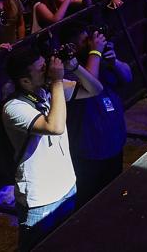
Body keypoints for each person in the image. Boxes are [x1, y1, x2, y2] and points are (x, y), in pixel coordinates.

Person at [2, 47, 104, 251]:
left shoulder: (47, 91)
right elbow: (54, 127)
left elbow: (95, 89)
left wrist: (74, 67)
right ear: (24, 81)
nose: (48, 70)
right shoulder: (14, 107)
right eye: (41, 69)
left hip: (66, 189)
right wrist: (57, 80)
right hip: (41, 201)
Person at [56, 22, 131, 209]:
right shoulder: (68, 69)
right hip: (87, 150)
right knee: (89, 202)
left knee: (112, 196)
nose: (90, 44)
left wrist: (114, 61)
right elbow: (93, 86)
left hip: (113, 144)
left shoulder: (98, 59)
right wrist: (95, 53)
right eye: (85, 42)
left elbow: (128, 77)